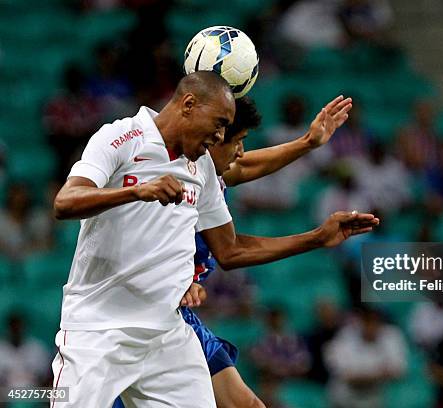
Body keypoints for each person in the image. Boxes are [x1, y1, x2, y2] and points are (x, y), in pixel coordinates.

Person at [52, 71, 377, 407]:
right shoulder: (122, 137)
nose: (221, 135)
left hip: (165, 333)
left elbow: (231, 249)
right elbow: (65, 202)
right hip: (100, 331)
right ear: (189, 104)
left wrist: (317, 238)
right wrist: (137, 191)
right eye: (220, 123)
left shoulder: (202, 166)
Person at [114, 94, 354, 408]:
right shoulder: (171, 185)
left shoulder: (207, 175)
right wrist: (316, 238)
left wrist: (308, 142)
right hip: (139, 325)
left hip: (177, 318)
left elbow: (243, 167)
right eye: (236, 141)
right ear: (211, 140)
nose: (241, 152)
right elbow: (230, 252)